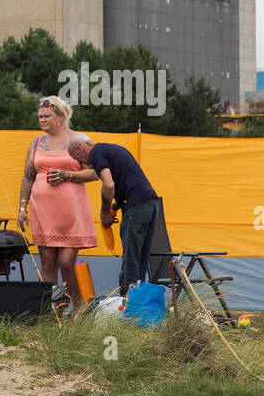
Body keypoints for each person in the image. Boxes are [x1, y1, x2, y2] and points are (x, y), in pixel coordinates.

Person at [16, 97, 97, 309]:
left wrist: (67, 175)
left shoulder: (78, 139)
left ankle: (79, 308)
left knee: (66, 263)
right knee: (47, 262)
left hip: (71, 210)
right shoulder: (36, 142)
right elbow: (28, 176)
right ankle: (50, 309)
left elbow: (95, 172)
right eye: (40, 116)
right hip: (42, 210)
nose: (42, 120)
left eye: (47, 116)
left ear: (60, 117)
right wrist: (22, 207)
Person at [66, 134, 159, 295]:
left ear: (80, 148)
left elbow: (108, 185)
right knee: (141, 256)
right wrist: (115, 206)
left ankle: (126, 299)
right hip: (151, 204)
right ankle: (140, 297)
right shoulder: (112, 149)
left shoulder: (96, 152)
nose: (81, 163)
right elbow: (128, 182)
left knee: (130, 256)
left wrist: (104, 213)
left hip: (136, 207)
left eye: (76, 158)